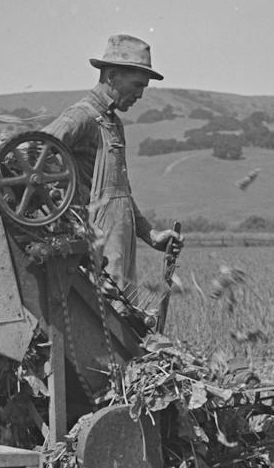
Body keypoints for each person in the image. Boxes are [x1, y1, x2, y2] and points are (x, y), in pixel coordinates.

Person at [44, 34, 183, 292]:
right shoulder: (81, 116)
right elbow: (34, 151)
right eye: (137, 85)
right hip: (96, 245)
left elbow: (120, 191)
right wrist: (69, 201)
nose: (140, 94)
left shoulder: (113, 123)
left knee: (123, 320)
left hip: (119, 243)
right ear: (111, 77)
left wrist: (150, 235)